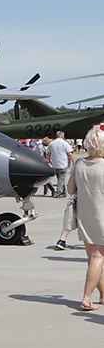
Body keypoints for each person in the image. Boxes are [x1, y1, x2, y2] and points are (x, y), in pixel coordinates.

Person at [70, 128, 104, 311]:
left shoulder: (79, 164)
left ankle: (103, 294)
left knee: (93, 258)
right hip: (102, 214)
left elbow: (70, 189)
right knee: (98, 257)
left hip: (85, 213)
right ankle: (87, 298)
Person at [46, 131, 74, 198]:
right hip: (63, 163)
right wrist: (74, 162)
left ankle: (63, 192)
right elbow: (69, 154)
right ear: (62, 136)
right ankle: (59, 192)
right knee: (61, 179)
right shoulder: (65, 143)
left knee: (60, 179)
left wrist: (49, 161)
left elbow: (48, 153)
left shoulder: (52, 144)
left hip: (55, 163)